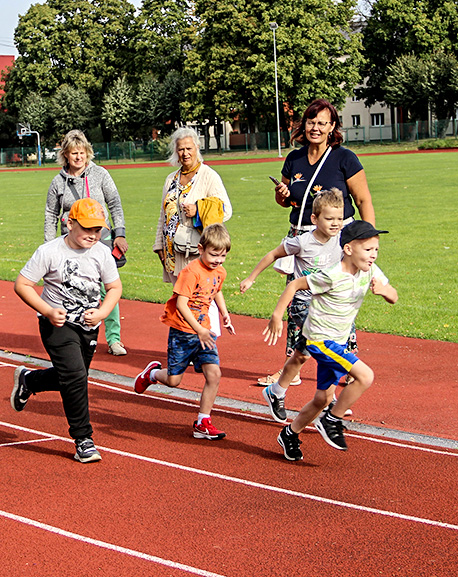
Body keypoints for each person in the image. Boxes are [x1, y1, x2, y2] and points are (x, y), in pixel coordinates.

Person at [258, 98, 376, 387]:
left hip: (337, 240)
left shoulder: (344, 158)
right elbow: (284, 201)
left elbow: (362, 200)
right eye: (311, 121)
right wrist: (282, 194)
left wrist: (368, 238)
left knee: (338, 301)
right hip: (302, 237)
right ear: (304, 124)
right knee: (298, 303)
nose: (315, 127)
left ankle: (346, 365)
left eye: (322, 122)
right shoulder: (294, 159)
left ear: (332, 127)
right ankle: (292, 368)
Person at [263, 221, 398, 461]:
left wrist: (385, 291)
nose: (373, 255)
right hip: (319, 340)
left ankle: (290, 434)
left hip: (338, 341)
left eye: (376, 249)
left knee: (322, 398)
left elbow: (394, 296)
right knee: (365, 376)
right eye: (368, 249)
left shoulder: (371, 272)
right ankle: (331, 419)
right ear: (348, 249)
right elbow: (295, 284)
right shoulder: (332, 276)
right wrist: (276, 314)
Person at [13, 198, 122, 463]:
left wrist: (103, 312)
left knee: (73, 375)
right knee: (75, 377)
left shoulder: (101, 253)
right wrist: (48, 311)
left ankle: (30, 381)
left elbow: (115, 288)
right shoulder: (49, 251)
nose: (93, 236)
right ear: (69, 223)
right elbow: (23, 284)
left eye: (98, 230)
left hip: (88, 326)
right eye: (87, 229)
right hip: (57, 325)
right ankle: (83, 439)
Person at [239, 191, 345, 423]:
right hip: (302, 303)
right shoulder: (303, 241)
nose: (335, 224)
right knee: (326, 346)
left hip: (327, 305)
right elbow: (273, 254)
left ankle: (276, 392)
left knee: (302, 355)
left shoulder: (341, 239)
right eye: (329, 219)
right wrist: (251, 278)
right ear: (315, 219)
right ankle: (330, 399)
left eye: (339, 218)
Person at [135, 223, 235, 440]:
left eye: (223, 255)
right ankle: (152, 374)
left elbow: (216, 290)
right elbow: (181, 304)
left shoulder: (220, 271)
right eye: (214, 254)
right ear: (201, 249)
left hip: (204, 333)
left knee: (214, 374)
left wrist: (224, 314)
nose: (218, 260)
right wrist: (198, 329)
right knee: (173, 381)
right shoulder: (190, 272)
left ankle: (202, 422)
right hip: (183, 332)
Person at [45, 129, 129, 356]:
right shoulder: (58, 182)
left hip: (100, 240)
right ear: (65, 155)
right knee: (72, 289)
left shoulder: (100, 174)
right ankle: (73, 338)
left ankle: (113, 339)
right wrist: (48, 244)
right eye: (73, 153)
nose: (78, 158)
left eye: (81, 153)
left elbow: (115, 204)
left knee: (105, 289)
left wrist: (119, 233)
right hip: (69, 244)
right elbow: (50, 214)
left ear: (88, 153)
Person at [153, 127, 232, 336]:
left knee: (204, 295)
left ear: (197, 147)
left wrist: (199, 209)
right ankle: (188, 341)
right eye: (180, 149)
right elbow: (163, 213)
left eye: (189, 148)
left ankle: (210, 341)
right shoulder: (171, 179)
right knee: (183, 297)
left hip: (197, 250)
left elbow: (226, 210)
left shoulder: (208, 176)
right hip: (174, 251)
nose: (185, 153)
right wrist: (158, 246)